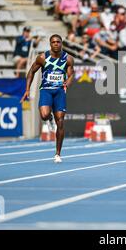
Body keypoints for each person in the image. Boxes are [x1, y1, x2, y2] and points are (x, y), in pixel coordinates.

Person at [21, 34, 74, 163]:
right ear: (50, 44)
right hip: (46, 90)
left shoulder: (68, 58)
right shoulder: (42, 57)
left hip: (60, 92)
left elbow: (71, 74)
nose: (56, 44)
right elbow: (31, 72)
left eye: (58, 42)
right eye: (54, 42)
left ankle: (57, 153)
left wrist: (68, 82)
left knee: (60, 121)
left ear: (61, 43)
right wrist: (27, 89)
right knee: (44, 115)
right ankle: (49, 118)